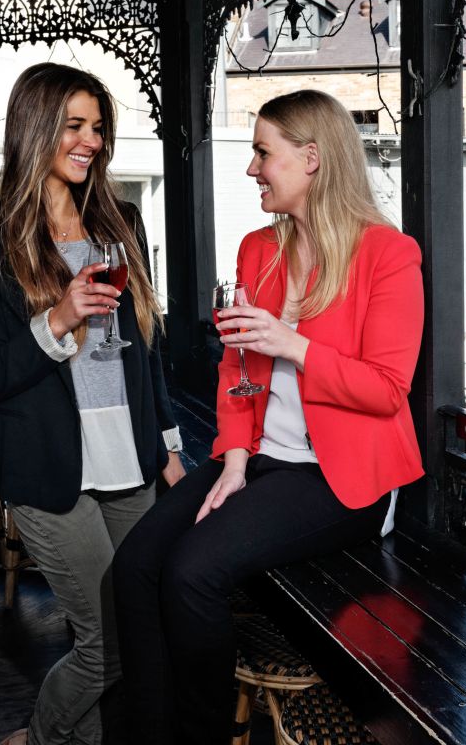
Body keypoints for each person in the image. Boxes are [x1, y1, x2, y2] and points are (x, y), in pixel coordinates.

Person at [112, 88, 425, 744]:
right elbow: (237, 371)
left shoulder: (388, 255)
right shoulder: (259, 249)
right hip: (260, 460)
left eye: (263, 153)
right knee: (136, 562)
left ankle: (200, 735)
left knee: (193, 572)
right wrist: (231, 462)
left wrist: (295, 345)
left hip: (337, 479)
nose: (253, 168)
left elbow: (387, 390)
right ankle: (148, 728)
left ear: (311, 158)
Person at [0, 63, 185, 745]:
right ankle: (42, 738)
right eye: (75, 126)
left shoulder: (122, 224)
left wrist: (167, 447)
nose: (92, 142)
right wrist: (57, 320)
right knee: (106, 647)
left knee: (139, 639)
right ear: (37, 128)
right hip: (51, 475)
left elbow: (148, 348)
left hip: (131, 464)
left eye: (98, 128)